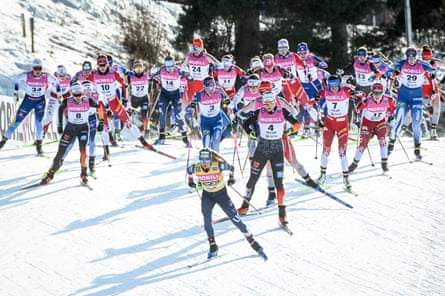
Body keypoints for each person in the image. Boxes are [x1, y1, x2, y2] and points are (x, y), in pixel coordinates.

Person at [187, 148, 267, 260]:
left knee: (234, 217)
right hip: (207, 195)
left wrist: (231, 178)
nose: (204, 164)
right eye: (202, 161)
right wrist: (190, 181)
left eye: (207, 161)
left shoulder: (218, 166)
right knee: (206, 219)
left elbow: (231, 168)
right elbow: (189, 171)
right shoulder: (195, 167)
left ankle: (251, 240)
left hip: (221, 195)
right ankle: (213, 246)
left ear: (211, 160)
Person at [237, 91, 301, 226]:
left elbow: (297, 124)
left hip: (277, 150)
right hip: (262, 149)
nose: (268, 106)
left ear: (274, 102)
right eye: (266, 103)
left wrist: (290, 131)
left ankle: (282, 215)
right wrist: (251, 134)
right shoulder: (259, 112)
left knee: (279, 184)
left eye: (271, 103)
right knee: (252, 179)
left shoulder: (282, 111)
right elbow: (245, 124)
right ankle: (244, 206)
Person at [88, 54, 153, 160]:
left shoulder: (113, 73)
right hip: (101, 104)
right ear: (97, 65)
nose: (102, 67)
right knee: (104, 127)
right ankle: (106, 152)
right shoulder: (93, 75)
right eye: (100, 65)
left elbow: (125, 85)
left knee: (128, 122)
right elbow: (86, 86)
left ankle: (144, 143)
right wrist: (90, 99)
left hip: (114, 101)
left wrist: (126, 101)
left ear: (107, 64)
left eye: (104, 64)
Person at [40, 82, 100, 185]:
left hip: (83, 128)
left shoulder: (88, 100)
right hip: (70, 128)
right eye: (75, 95)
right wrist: (59, 125)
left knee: (83, 151)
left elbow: (100, 106)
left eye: (80, 94)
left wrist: (105, 116)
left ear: (83, 93)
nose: (78, 97)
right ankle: (51, 174)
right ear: (71, 93)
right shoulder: (67, 101)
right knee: (60, 152)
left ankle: (84, 174)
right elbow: (60, 109)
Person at [0, 58, 61, 154]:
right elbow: (17, 78)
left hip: (40, 101)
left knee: (38, 124)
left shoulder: (46, 76)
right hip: (28, 101)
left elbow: (57, 82)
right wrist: (15, 91)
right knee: (16, 122)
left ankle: (39, 146)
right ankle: (3, 141)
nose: (37, 71)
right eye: (35, 68)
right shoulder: (27, 75)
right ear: (32, 68)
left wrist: (59, 93)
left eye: (39, 68)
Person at [387, 47, 436, 160]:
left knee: (417, 121)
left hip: (416, 95)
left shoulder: (421, 64)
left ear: (416, 57)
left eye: (413, 58)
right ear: (406, 57)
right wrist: (392, 71)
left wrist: (433, 73)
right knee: (399, 119)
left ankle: (417, 148)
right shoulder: (402, 63)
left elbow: (433, 69)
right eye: (409, 58)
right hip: (403, 95)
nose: (411, 61)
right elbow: (391, 68)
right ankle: (392, 142)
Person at [348, 82, 396, 173]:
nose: (377, 95)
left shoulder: (388, 99)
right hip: (368, 123)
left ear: (382, 92)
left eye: (379, 93)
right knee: (363, 143)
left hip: (380, 122)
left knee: (382, 141)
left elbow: (393, 107)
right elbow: (358, 109)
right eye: (375, 93)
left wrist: (390, 115)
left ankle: (384, 163)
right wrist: (357, 121)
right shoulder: (367, 101)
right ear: (372, 92)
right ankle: (354, 164)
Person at [316, 75, 353, 190]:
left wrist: (356, 90)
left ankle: (346, 178)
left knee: (342, 151)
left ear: (339, 84)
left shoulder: (346, 90)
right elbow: (317, 97)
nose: (333, 88)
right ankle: (322, 175)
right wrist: (315, 98)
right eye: (331, 85)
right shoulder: (326, 92)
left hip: (342, 124)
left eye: (335, 85)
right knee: (326, 149)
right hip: (329, 123)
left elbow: (355, 90)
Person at [150, 55, 192, 146]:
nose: (169, 69)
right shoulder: (162, 69)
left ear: (174, 64)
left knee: (178, 115)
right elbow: (152, 75)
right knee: (162, 114)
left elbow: (186, 75)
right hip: (165, 94)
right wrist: (151, 75)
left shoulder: (178, 70)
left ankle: (185, 139)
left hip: (175, 95)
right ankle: (161, 138)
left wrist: (189, 76)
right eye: (167, 67)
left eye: (171, 67)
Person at [190, 76, 231, 152]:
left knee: (216, 141)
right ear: (204, 87)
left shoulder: (220, 91)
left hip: (217, 120)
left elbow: (228, 102)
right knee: (206, 142)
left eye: (213, 87)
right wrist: (192, 111)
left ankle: (216, 158)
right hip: (205, 122)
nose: (211, 89)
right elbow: (192, 105)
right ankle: (206, 159)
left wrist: (230, 108)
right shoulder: (199, 95)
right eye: (209, 88)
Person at [43, 65, 72, 138]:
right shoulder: (52, 78)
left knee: (68, 116)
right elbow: (44, 87)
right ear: (57, 74)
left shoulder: (69, 77)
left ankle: (67, 134)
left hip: (65, 98)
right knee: (49, 116)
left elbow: (72, 89)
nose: (62, 77)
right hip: (54, 98)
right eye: (60, 76)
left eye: (64, 75)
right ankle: (42, 135)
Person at [420, 45, 441, 140]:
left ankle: (433, 130)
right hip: (421, 90)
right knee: (420, 110)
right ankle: (423, 129)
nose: (427, 60)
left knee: (436, 108)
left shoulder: (434, 62)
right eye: (425, 58)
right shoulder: (418, 63)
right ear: (422, 56)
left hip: (433, 89)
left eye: (429, 58)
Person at [126, 60, 151, 137]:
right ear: (134, 69)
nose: (139, 71)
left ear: (143, 69)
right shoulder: (131, 75)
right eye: (137, 69)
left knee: (145, 115)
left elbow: (154, 77)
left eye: (140, 69)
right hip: (134, 99)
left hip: (144, 99)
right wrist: (126, 74)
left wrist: (157, 82)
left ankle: (146, 131)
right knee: (128, 113)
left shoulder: (146, 75)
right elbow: (124, 74)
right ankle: (127, 131)